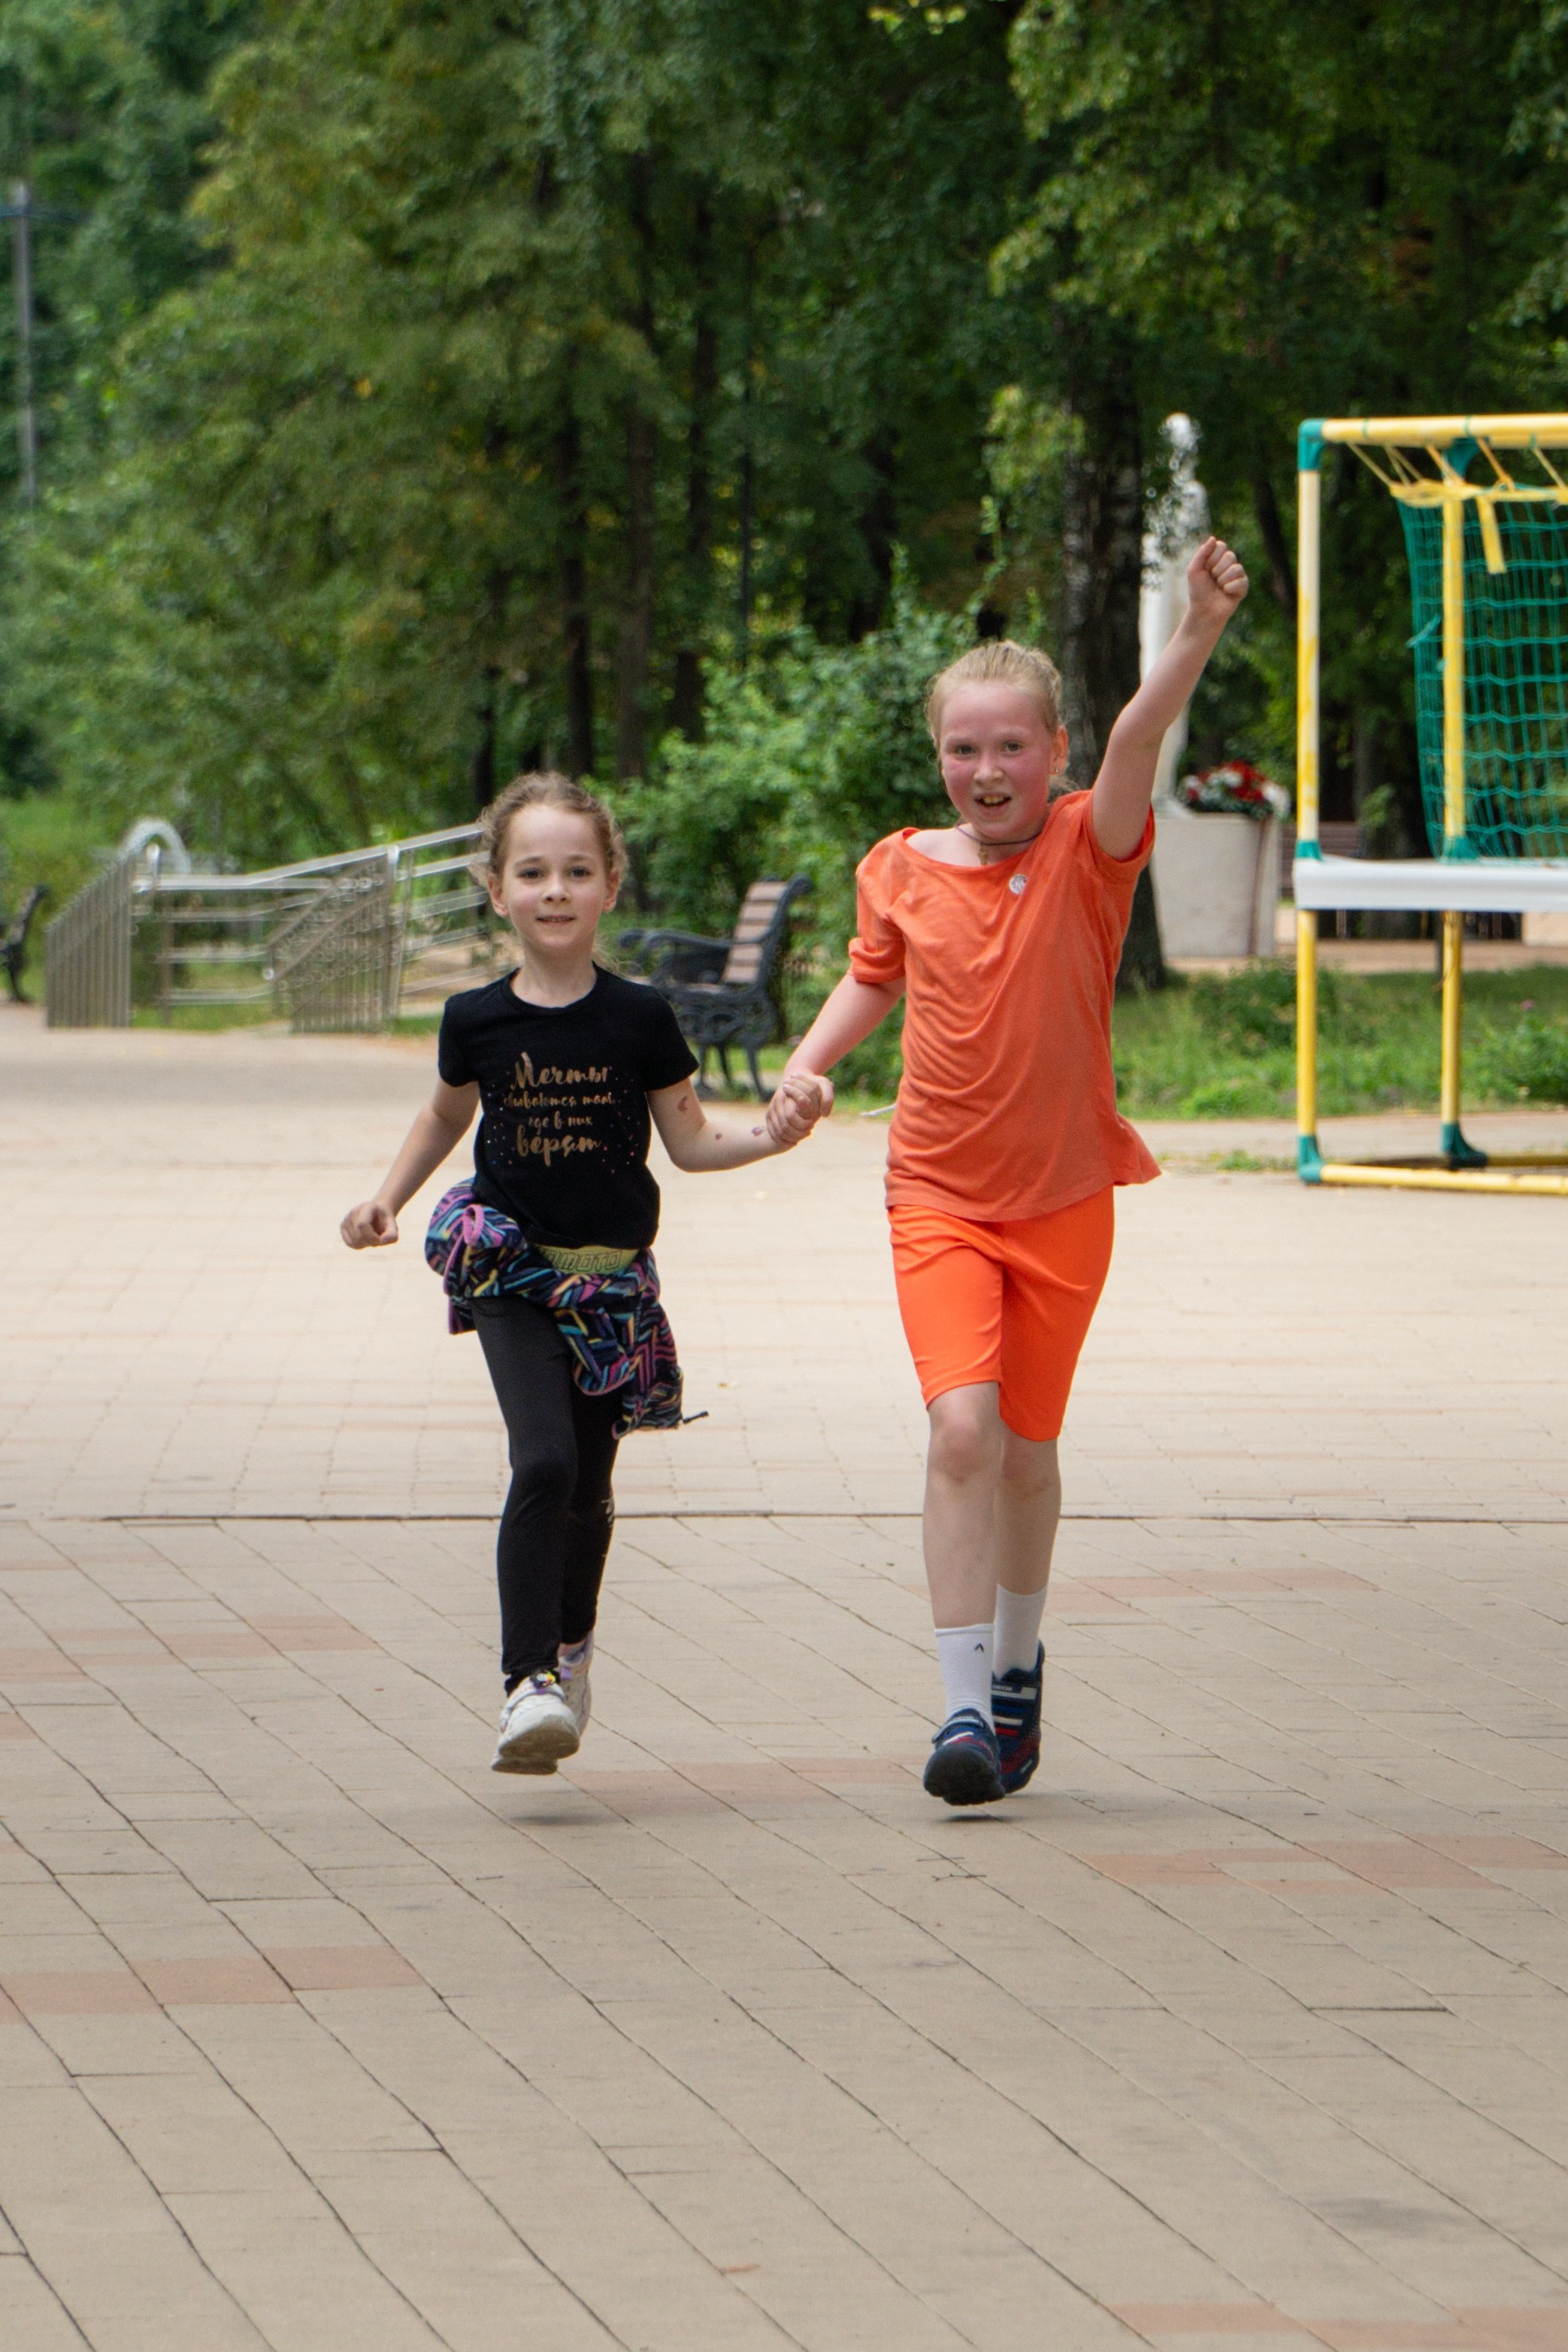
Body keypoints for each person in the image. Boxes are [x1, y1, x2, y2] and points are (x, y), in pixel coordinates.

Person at [772, 537, 1249, 1806]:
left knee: (1028, 1452)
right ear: (938, 757)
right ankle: (962, 1708)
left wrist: (1196, 627)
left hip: (1063, 1197)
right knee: (960, 1429)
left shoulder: (1093, 846)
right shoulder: (898, 867)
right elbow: (871, 978)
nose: (986, 770)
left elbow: (1141, 736)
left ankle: (1020, 1662)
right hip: (934, 1190)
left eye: (1011, 746)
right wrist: (806, 1067)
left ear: (1053, 751)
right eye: (962, 748)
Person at [342, 773, 827, 1775]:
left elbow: (690, 1142)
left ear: (609, 884)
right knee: (545, 1462)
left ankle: (571, 1647)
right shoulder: (475, 1017)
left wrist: (774, 1136)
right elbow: (445, 1114)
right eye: (532, 872)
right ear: (497, 890)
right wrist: (386, 1196)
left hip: (609, 1286)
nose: (554, 890)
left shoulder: (640, 1017)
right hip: (509, 1265)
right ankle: (527, 1683)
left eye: (575, 871)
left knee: (590, 1487)